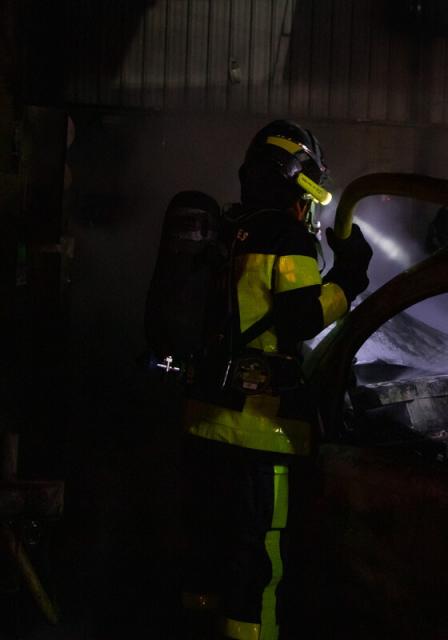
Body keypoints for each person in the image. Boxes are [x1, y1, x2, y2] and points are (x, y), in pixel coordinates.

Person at [179, 120, 372, 640]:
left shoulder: (226, 231)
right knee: (256, 562)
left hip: (203, 423)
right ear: (297, 182)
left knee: (206, 557)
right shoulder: (288, 238)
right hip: (257, 434)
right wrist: (348, 279)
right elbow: (301, 317)